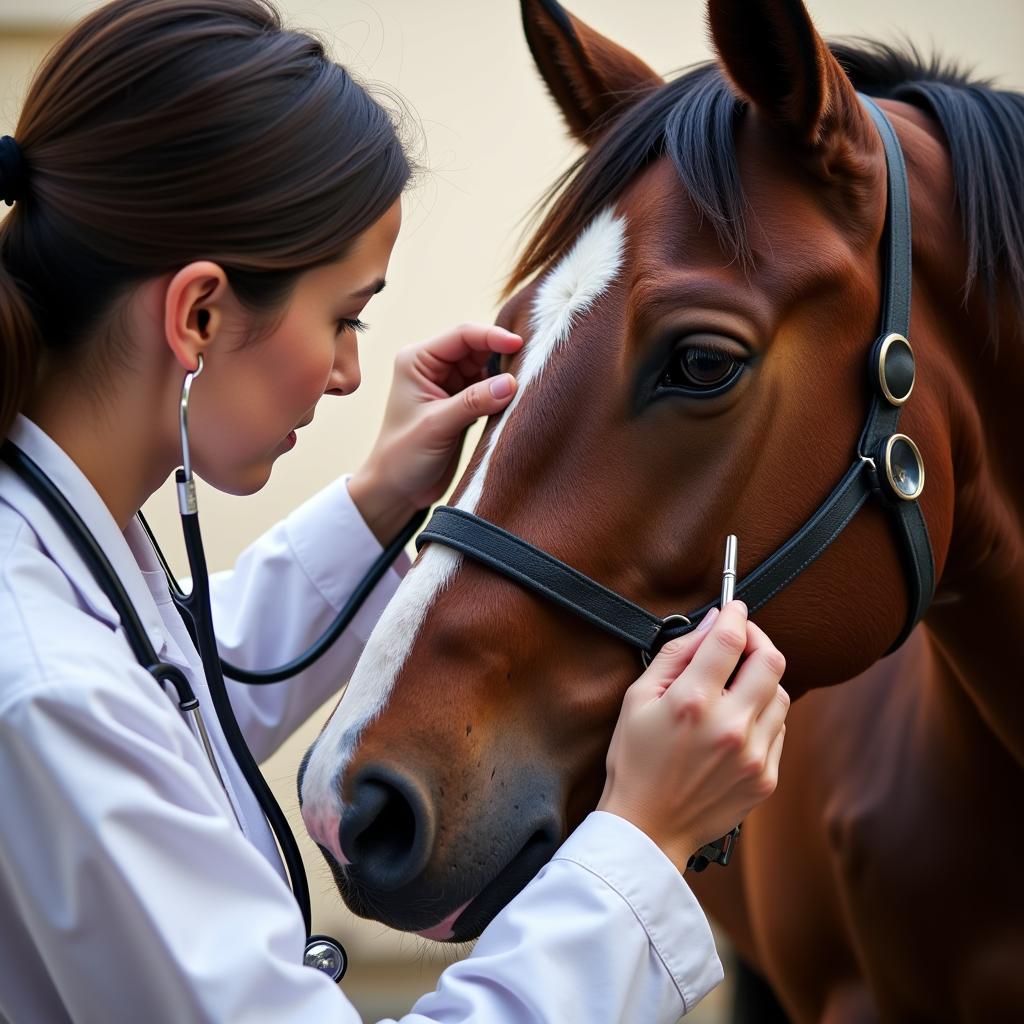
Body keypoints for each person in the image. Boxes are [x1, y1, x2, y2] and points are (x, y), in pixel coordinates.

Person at [0, 1, 790, 1021]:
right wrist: (645, 836)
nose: (348, 374)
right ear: (198, 314)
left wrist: (381, 502)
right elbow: (102, 714)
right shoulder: (45, 684)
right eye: (344, 317)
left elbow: (168, 697)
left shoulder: (59, 571)